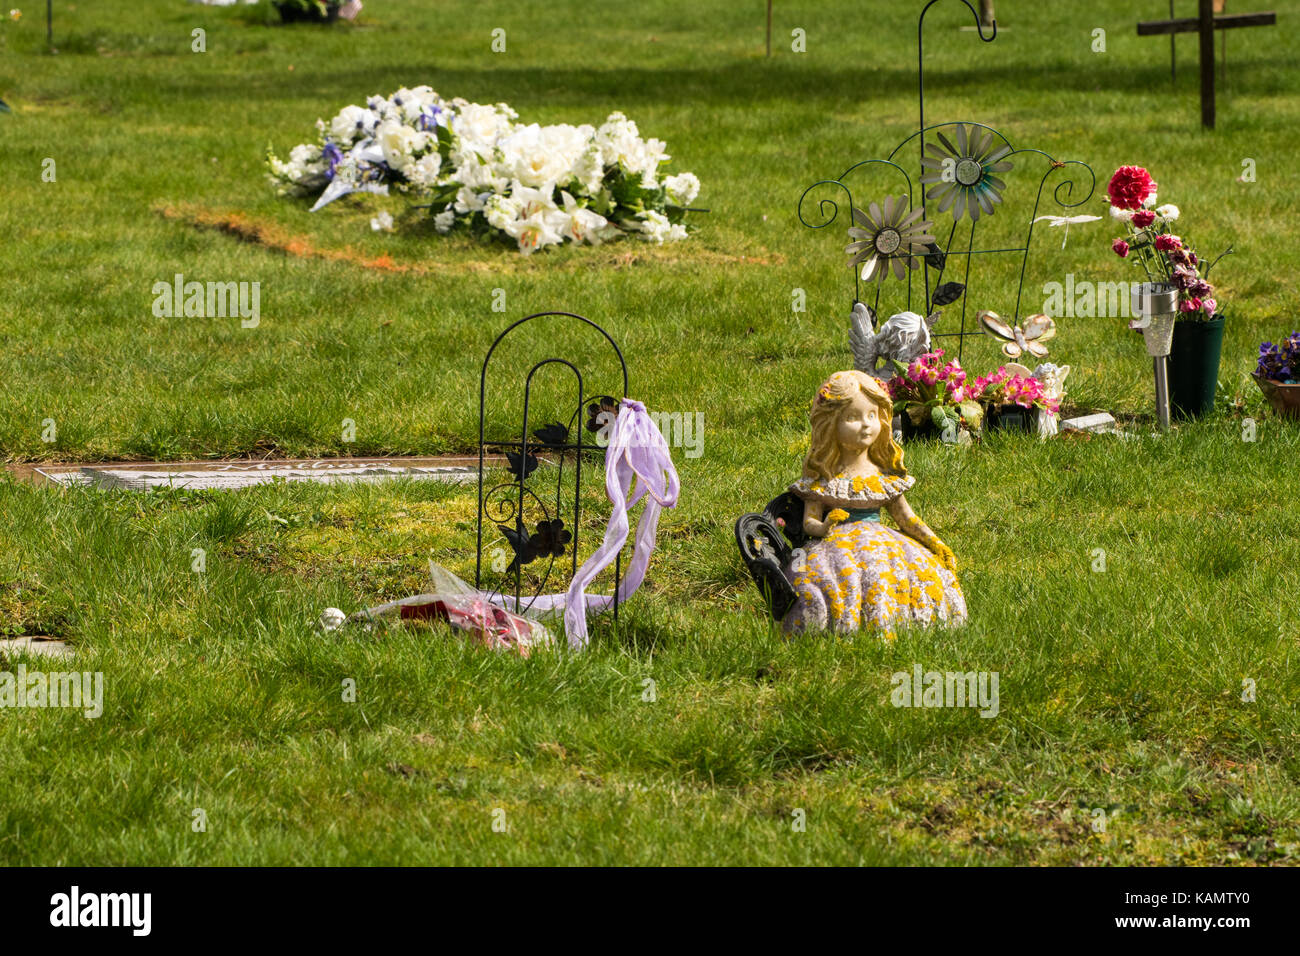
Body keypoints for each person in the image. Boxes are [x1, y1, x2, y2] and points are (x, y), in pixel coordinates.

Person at [782, 369, 967, 635]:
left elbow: (906, 518)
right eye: (852, 417)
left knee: (892, 573)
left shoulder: (883, 475)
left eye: (871, 415)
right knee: (829, 580)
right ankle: (844, 628)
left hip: (884, 543)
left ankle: (898, 628)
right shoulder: (825, 478)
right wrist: (823, 527)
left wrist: (935, 542)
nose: (866, 424)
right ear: (830, 424)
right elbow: (809, 521)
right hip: (836, 547)